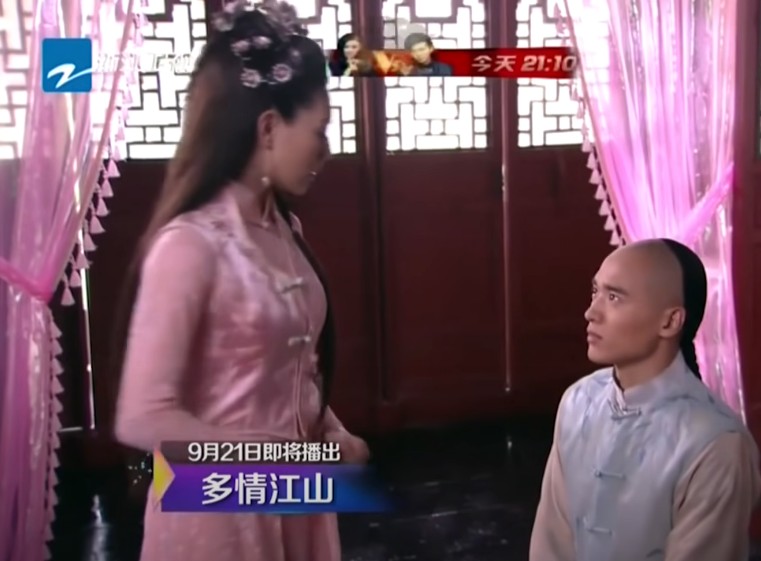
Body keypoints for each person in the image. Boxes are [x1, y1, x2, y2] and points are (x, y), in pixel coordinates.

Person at [112, 1, 369, 560]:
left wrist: (330, 430)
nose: (325, 150)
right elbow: (141, 415)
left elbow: (290, 372)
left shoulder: (285, 230)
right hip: (217, 512)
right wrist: (283, 460)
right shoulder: (189, 245)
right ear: (269, 128)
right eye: (319, 131)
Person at [530, 239, 760, 561]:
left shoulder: (716, 443)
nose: (591, 312)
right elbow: (551, 541)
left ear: (670, 321)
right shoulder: (578, 402)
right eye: (595, 292)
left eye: (614, 297)